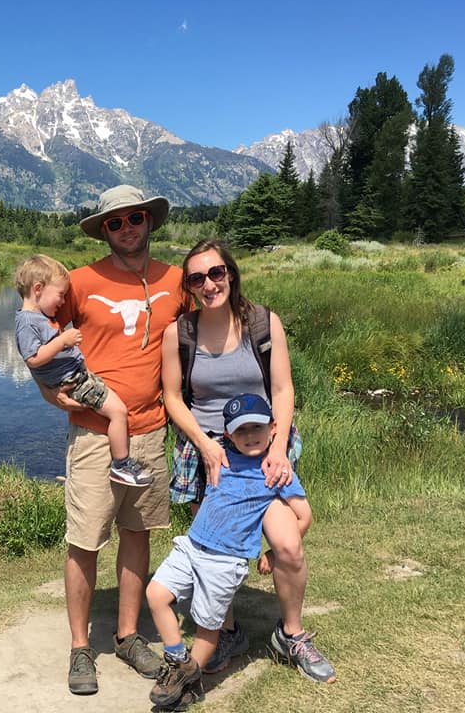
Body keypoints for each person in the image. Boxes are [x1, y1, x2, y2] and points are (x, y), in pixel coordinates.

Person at [33, 185, 187, 695]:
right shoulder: (77, 281)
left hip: (151, 430)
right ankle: (81, 647)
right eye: (114, 223)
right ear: (103, 229)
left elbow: (206, 326)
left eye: (135, 218)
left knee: (138, 534)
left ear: (150, 221)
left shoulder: (175, 279)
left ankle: (126, 636)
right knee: (84, 539)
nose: (126, 229)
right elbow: (35, 338)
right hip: (96, 435)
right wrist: (51, 395)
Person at [161, 238, 336, 683]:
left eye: (216, 273)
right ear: (190, 285)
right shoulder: (179, 332)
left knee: (288, 545)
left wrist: (278, 448)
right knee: (214, 553)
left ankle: (291, 634)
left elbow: (282, 390)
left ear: (231, 273)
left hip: (261, 447)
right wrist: (205, 444)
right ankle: (229, 631)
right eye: (197, 278)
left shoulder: (262, 322)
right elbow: (173, 398)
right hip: (209, 453)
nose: (209, 284)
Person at [146, 393, 312, 709]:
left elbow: (304, 516)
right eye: (241, 430)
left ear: (274, 428)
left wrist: (273, 554)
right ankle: (179, 660)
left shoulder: (276, 470)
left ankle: (189, 680)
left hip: (225, 560)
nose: (249, 436)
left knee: (209, 626)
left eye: (257, 428)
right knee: (156, 594)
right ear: (227, 434)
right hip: (192, 545)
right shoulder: (219, 457)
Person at [14, 254, 153, 487]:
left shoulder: (37, 317)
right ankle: (121, 463)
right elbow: (33, 358)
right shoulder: (27, 322)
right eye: (60, 295)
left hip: (77, 376)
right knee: (118, 411)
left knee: (116, 409)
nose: (63, 301)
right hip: (76, 381)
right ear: (38, 289)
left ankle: (121, 463)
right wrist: (63, 341)